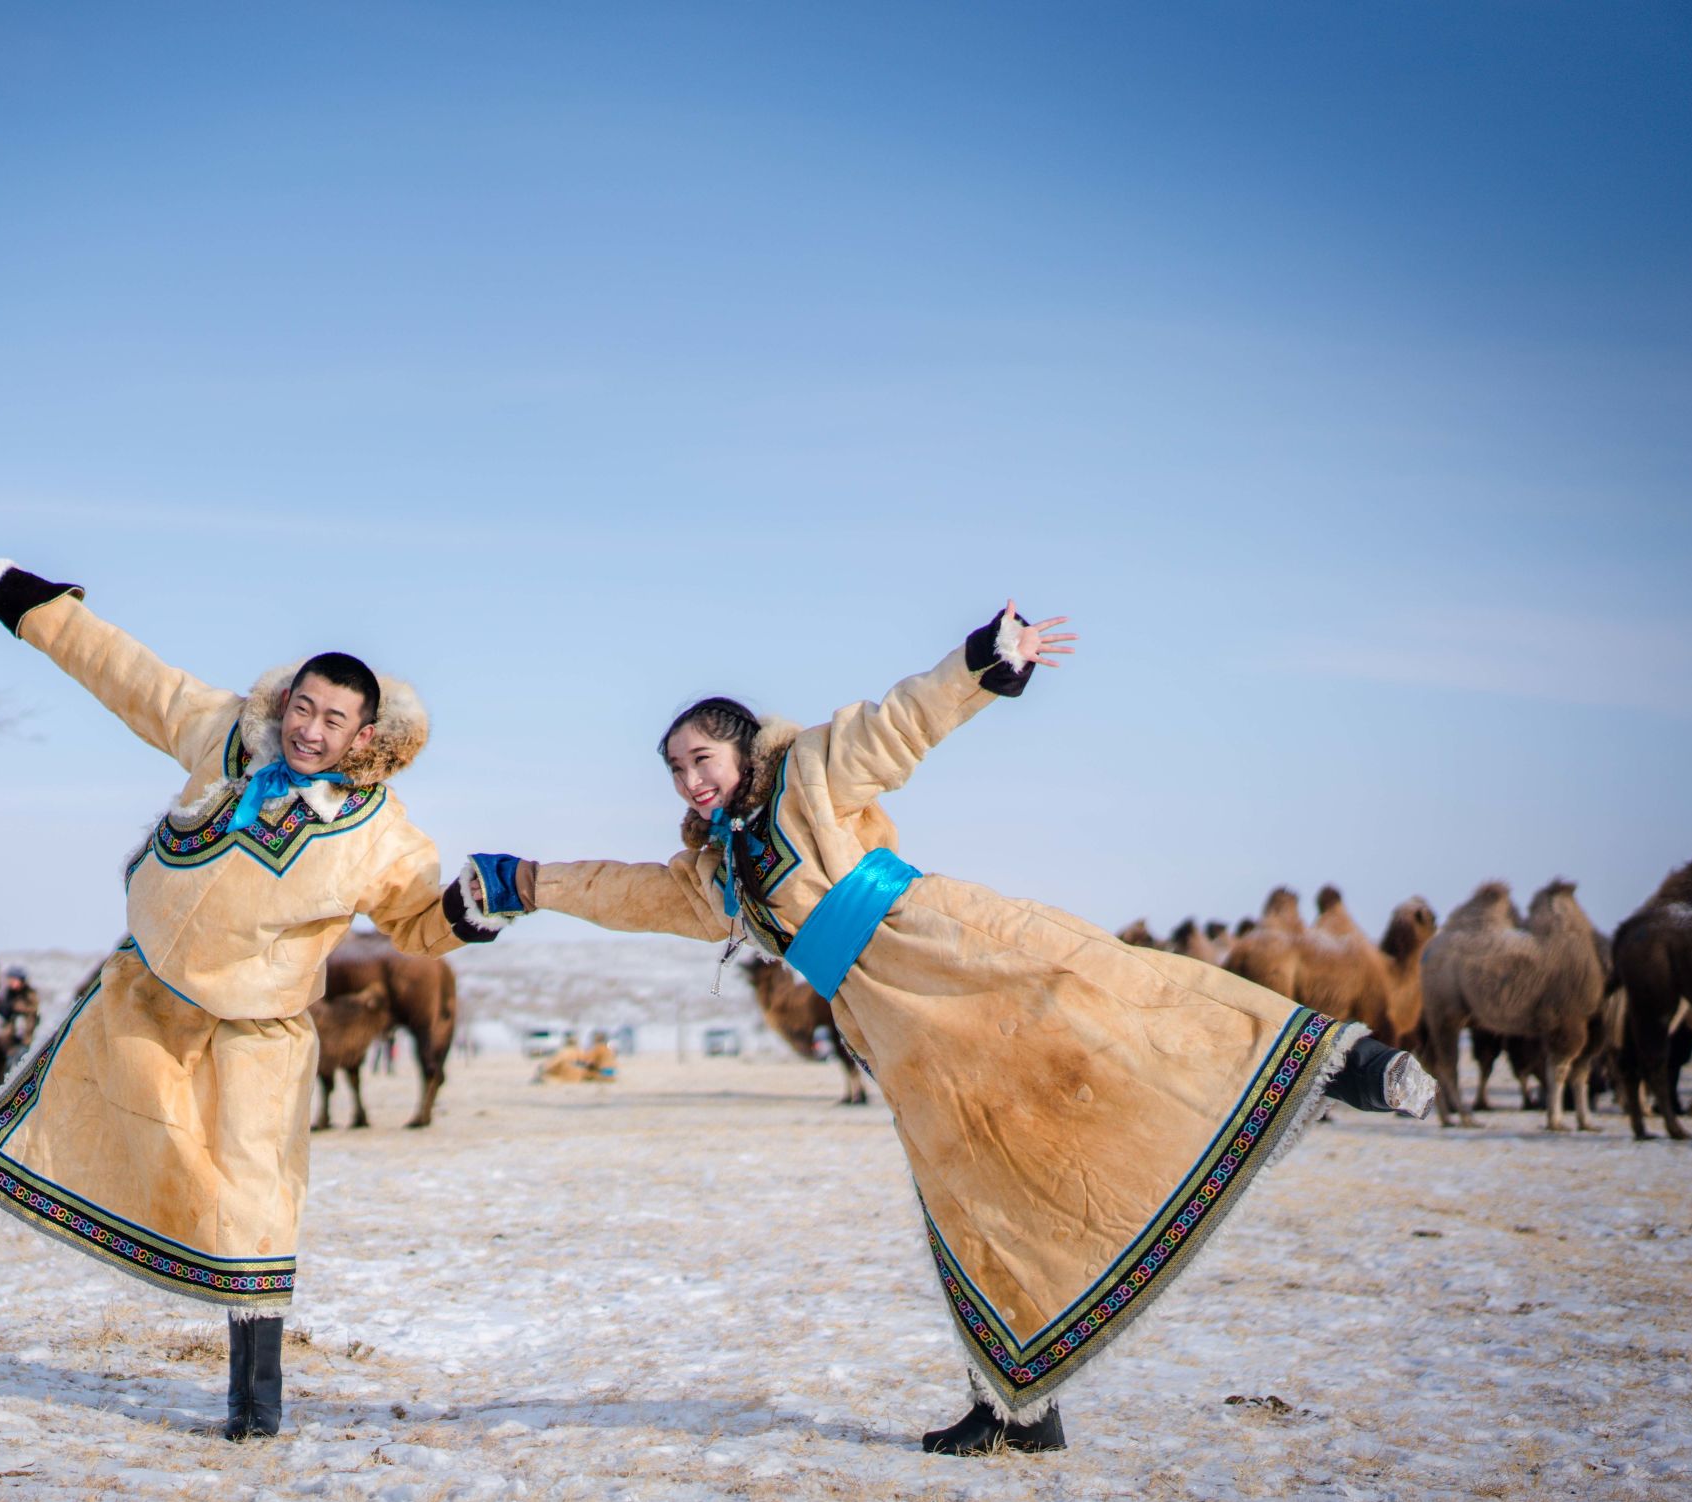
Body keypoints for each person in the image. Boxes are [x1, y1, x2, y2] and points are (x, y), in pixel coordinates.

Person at [463, 601, 1434, 1454]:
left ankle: (1343, 1060)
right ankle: (1018, 1404)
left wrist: (978, 661)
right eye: (674, 769)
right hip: (890, 1023)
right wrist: (528, 884)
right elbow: (626, 893)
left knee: (1105, 986)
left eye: (701, 759)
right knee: (964, 1189)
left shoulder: (809, 772)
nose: (689, 781)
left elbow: (897, 725)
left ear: (743, 748)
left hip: (937, 940)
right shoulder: (715, 874)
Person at [0, 562, 521, 1441]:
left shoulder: (380, 833)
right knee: (51, 1098)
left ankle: (256, 1396)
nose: (311, 729)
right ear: (286, 703)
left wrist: (467, 914)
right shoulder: (227, 739)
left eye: (334, 719)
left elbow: (414, 919)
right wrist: (39, 611)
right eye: (303, 707)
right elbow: (136, 679)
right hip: (148, 990)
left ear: (364, 735)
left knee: (253, 1197)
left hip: (257, 1029)